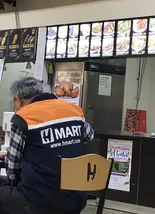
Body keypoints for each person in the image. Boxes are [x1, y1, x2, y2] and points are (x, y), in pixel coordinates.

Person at [0, 77, 94, 214]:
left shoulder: (23, 117)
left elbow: (12, 166)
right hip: (76, 199)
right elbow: (89, 135)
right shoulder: (73, 110)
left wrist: (15, 184)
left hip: (39, 201)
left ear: (17, 100)